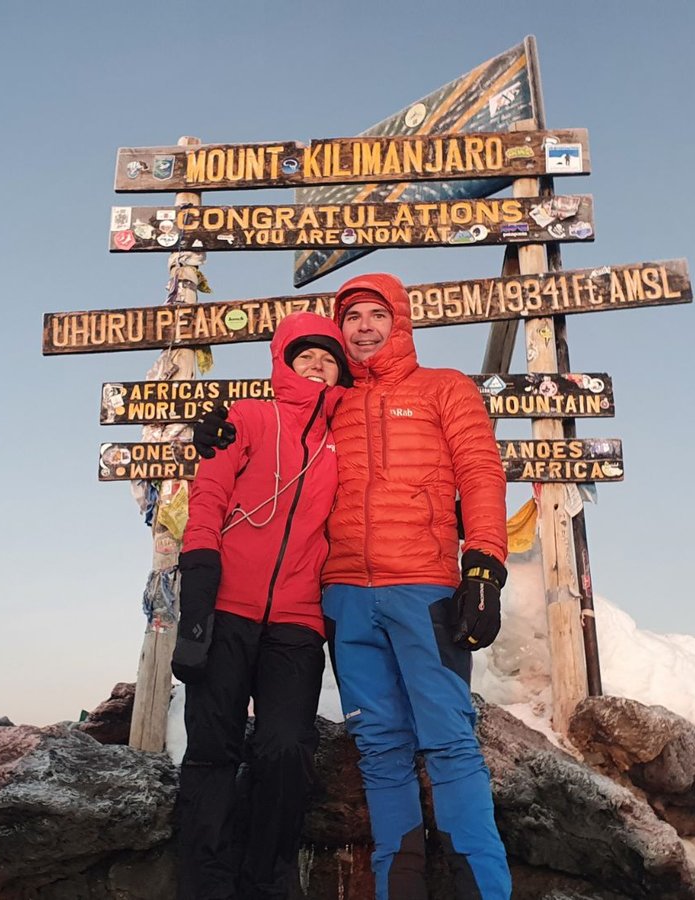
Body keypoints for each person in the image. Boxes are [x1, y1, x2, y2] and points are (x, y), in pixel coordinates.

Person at [195, 273, 511, 900]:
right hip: (341, 596)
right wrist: (218, 428)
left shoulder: (444, 389)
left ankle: (485, 889)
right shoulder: (331, 403)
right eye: (353, 318)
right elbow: (278, 424)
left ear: (400, 321)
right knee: (380, 746)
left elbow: (480, 471)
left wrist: (484, 566)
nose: (364, 327)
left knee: (449, 739)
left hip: (423, 589)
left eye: (376, 315)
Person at [172, 311, 352, 900]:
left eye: (329, 358)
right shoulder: (247, 417)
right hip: (226, 607)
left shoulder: (345, 439)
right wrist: (198, 590)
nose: (318, 365)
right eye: (307, 356)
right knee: (213, 747)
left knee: (285, 746)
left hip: (297, 618)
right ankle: (206, 883)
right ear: (285, 362)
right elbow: (209, 498)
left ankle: (267, 880)